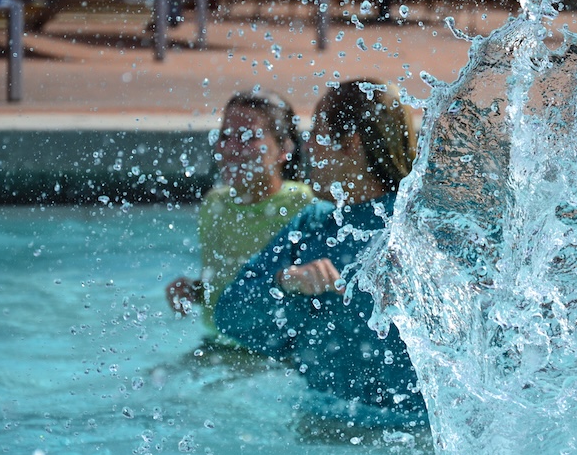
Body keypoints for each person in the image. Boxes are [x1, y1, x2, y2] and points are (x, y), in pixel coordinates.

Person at [214, 79, 425, 426]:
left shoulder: (416, 230)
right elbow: (229, 316)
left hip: (410, 434)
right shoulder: (312, 225)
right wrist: (282, 284)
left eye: (318, 134)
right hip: (321, 426)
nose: (306, 146)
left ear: (351, 144)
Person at [165, 90, 314, 343]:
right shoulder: (215, 205)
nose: (232, 148)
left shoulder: (302, 204)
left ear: (284, 149)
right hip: (218, 343)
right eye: (225, 136)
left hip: (278, 354)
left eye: (248, 137)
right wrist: (194, 291)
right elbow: (229, 283)